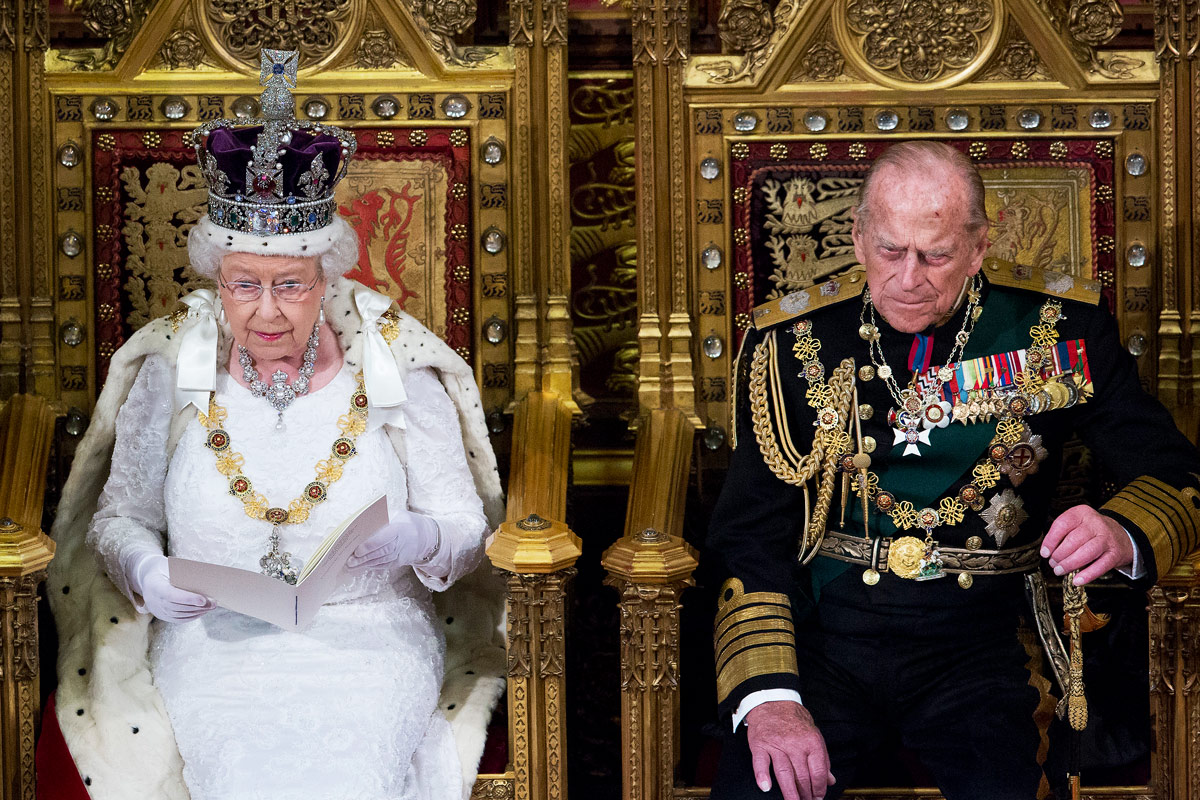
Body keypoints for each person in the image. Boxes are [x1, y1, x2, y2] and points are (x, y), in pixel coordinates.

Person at [46, 49, 504, 800]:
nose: (266, 310)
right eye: (243, 285)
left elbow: (462, 522)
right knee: (244, 773)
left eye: (290, 285)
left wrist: (416, 539)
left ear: (328, 276)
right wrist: (148, 574)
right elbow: (117, 517)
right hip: (212, 646)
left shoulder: (395, 366)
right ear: (216, 278)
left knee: (349, 772)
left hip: (369, 641)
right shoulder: (170, 366)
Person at [707, 140, 1200, 800]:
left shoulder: (1058, 333)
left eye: (936, 255)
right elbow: (749, 536)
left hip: (985, 646)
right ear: (857, 238)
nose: (909, 276)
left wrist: (1121, 531)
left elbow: (1176, 473)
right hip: (825, 637)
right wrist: (767, 698)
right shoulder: (793, 345)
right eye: (889, 250)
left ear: (976, 247)